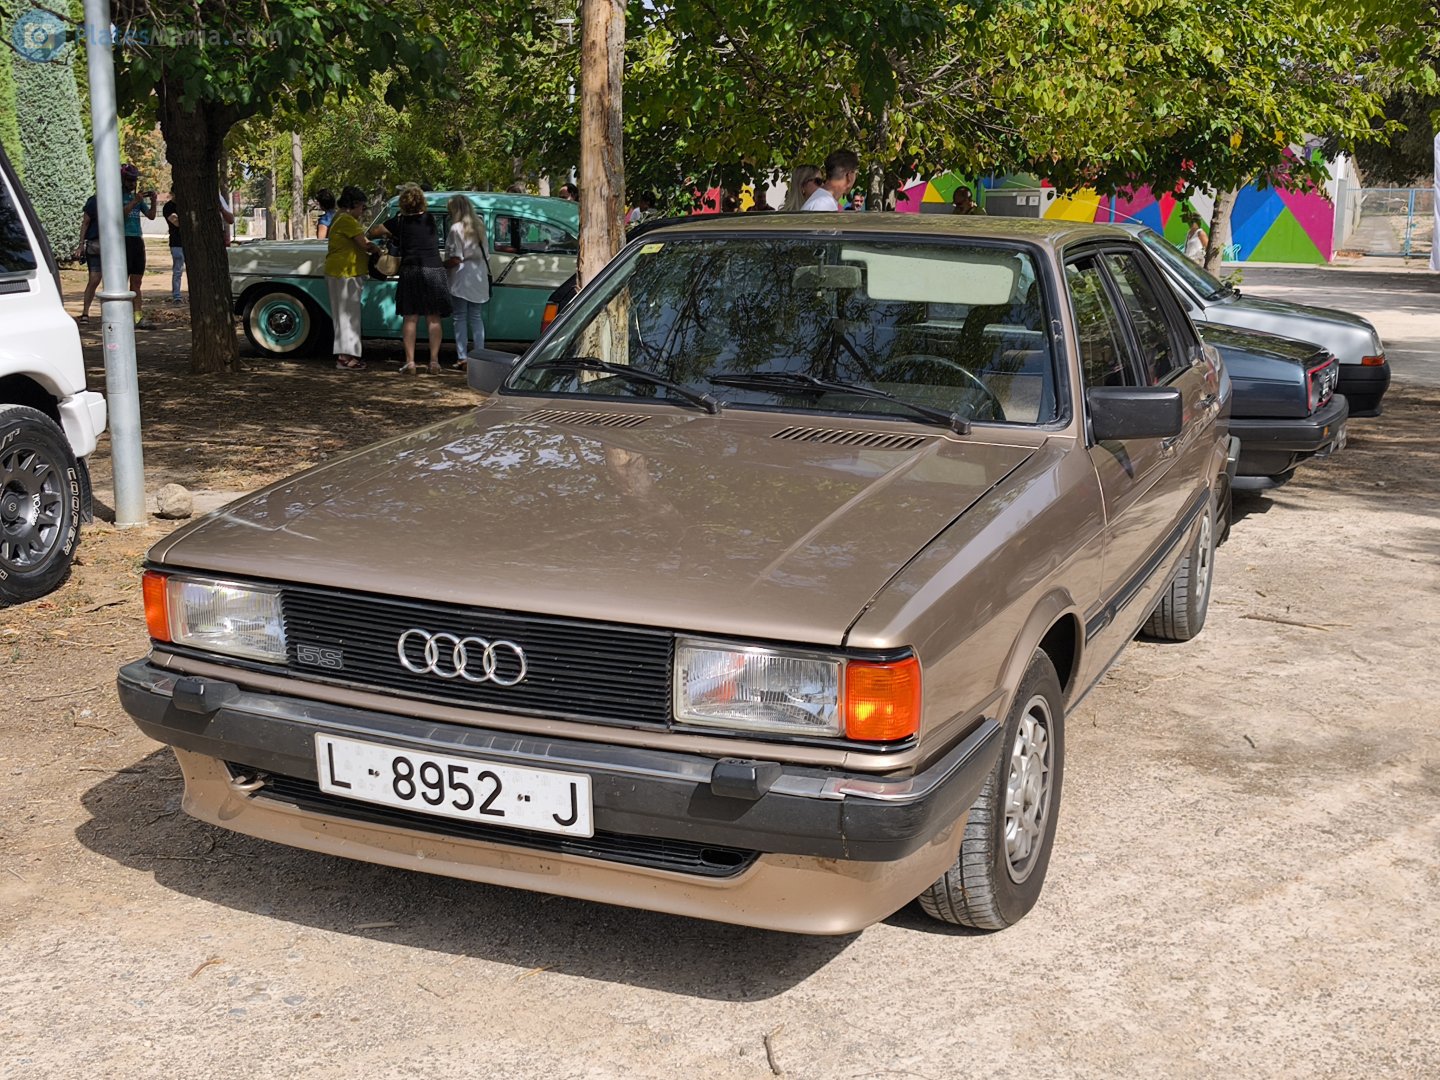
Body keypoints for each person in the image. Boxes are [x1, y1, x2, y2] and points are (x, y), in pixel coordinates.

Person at [369, 184, 452, 375]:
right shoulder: (430, 219)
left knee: (410, 317)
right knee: (433, 317)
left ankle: (410, 362)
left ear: (403, 204)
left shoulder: (399, 222)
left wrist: (391, 232)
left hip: (411, 269)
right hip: (434, 268)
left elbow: (373, 232)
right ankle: (434, 362)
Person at [324, 185, 380, 371]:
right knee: (349, 316)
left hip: (337, 271)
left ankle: (343, 355)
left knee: (341, 316)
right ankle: (347, 357)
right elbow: (365, 244)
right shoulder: (348, 220)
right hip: (346, 273)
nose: (363, 212)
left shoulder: (338, 218)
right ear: (354, 204)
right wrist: (377, 248)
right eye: (362, 207)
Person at [444, 195, 491, 370]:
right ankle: (480, 355)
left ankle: (462, 357)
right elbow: (486, 255)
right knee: (476, 317)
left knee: (460, 317)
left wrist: (442, 265)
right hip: (478, 275)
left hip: (461, 277)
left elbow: (456, 258)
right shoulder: (479, 224)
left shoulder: (456, 228)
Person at [119, 164, 157, 326]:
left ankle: (137, 317)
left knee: (137, 282)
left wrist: (153, 202)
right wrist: (135, 201)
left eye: (134, 180)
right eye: (129, 180)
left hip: (137, 240)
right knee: (121, 282)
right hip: (123, 240)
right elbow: (120, 214)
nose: (132, 183)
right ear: (122, 179)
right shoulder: (117, 196)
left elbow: (151, 216)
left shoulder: (138, 198)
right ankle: (121, 316)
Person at [72, 194, 102, 324]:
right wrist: (81, 245)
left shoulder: (119, 198)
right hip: (95, 244)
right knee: (94, 279)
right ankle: (85, 312)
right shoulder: (94, 201)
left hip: (112, 245)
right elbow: (85, 222)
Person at [162, 195, 184, 302]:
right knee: (178, 270)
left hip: (188, 243)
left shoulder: (186, 203)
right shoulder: (168, 207)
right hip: (176, 243)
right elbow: (176, 222)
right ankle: (177, 296)